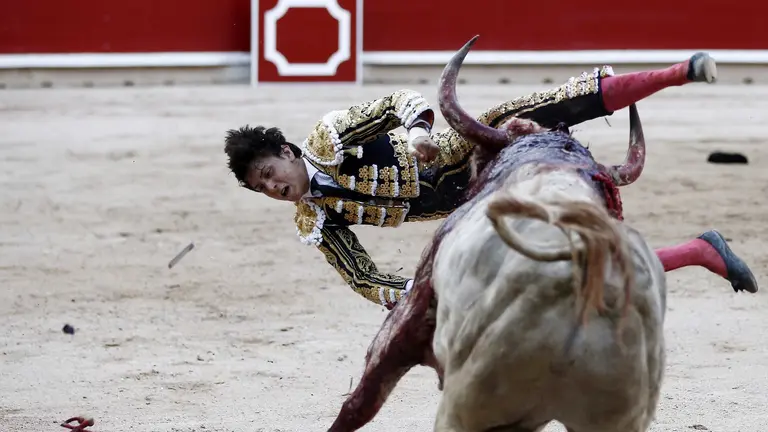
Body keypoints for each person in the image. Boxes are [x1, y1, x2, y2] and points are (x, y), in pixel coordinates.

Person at [223, 53, 758, 309]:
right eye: (261, 188)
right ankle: (697, 251)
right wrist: (420, 290)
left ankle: (678, 72)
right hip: (477, 206)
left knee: (551, 104)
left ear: (288, 152)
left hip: (473, 146)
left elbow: (395, 103)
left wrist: (416, 132)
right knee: (560, 268)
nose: (273, 187)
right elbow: (364, 278)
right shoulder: (314, 219)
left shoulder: (329, 136)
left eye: (270, 173)